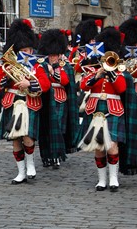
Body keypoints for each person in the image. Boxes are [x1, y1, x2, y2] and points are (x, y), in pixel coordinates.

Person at [0, 18, 51, 184]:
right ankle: (21, 172)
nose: (27, 53)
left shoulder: (37, 66)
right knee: (15, 140)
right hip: (13, 101)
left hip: (28, 102)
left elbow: (45, 84)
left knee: (28, 137)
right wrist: (5, 77)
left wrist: (29, 83)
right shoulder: (8, 65)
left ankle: (31, 164)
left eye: (29, 49)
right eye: (23, 50)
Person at [78, 27, 127, 192]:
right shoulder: (93, 68)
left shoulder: (119, 70)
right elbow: (84, 84)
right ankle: (102, 179)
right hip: (95, 109)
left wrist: (111, 74)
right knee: (98, 146)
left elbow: (121, 88)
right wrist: (97, 75)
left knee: (112, 145)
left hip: (113, 109)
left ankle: (113, 178)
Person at [37, 29, 79, 168]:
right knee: (47, 129)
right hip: (47, 99)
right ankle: (48, 155)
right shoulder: (42, 65)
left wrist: (52, 72)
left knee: (59, 129)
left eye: (54, 55)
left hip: (60, 99)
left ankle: (57, 155)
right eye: (50, 55)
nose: (52, 58)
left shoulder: (64, 66)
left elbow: (66, 81)